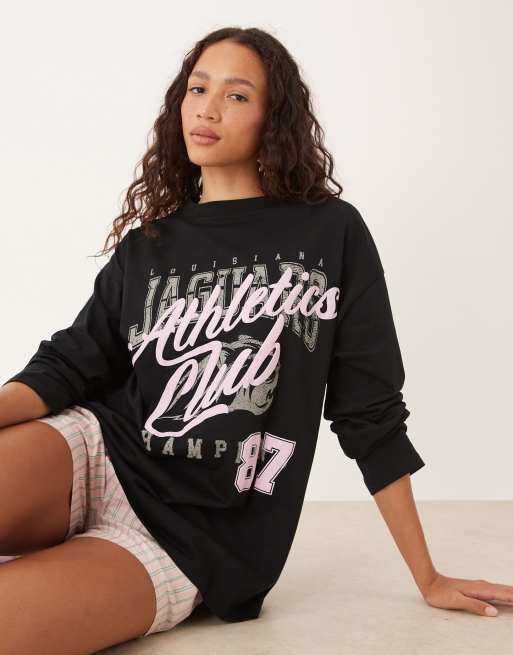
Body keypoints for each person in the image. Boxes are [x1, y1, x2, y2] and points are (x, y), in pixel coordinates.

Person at [1, 25, 512, 655]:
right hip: (101, 450)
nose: (208, 108)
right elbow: (67, 365)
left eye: (237, 95)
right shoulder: (149, 245)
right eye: (198, 89)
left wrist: (427, 576)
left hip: (195, 535)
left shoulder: (330, 233)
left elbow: (369, 412)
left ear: (274, 119)